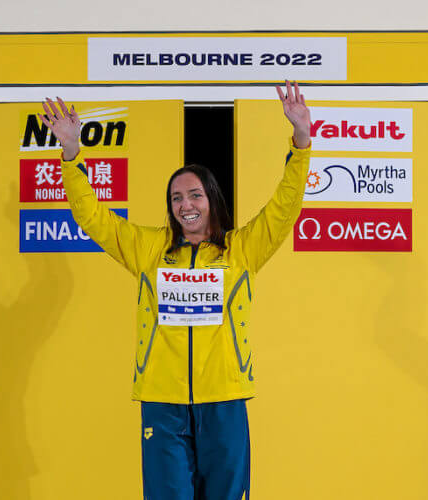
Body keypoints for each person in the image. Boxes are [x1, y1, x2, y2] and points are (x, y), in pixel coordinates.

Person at [39, 81, 311, 500]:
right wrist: (72, 154)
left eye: (195, 195)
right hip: (162, 403)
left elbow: (285, 205)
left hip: (225, 400)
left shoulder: (241, 250)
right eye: (177, 197)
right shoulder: (148, 249)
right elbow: (94, 219)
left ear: (211, 200)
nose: (186, 204)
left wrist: (301, 139)